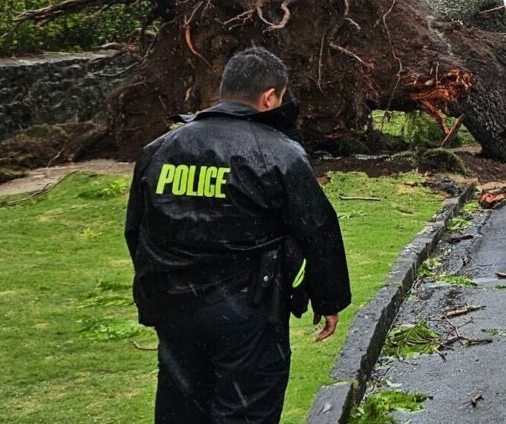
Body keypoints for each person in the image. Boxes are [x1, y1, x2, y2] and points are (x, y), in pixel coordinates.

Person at [124, 47, 351, 424]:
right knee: (245, 414)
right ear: (269, 97)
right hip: (249, 310)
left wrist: (158, 288)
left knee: (181, 410)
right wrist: (329, 300)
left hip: (175, 305)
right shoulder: (279, 152)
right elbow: (318, 229)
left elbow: (137, 230)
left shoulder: (160, 150)